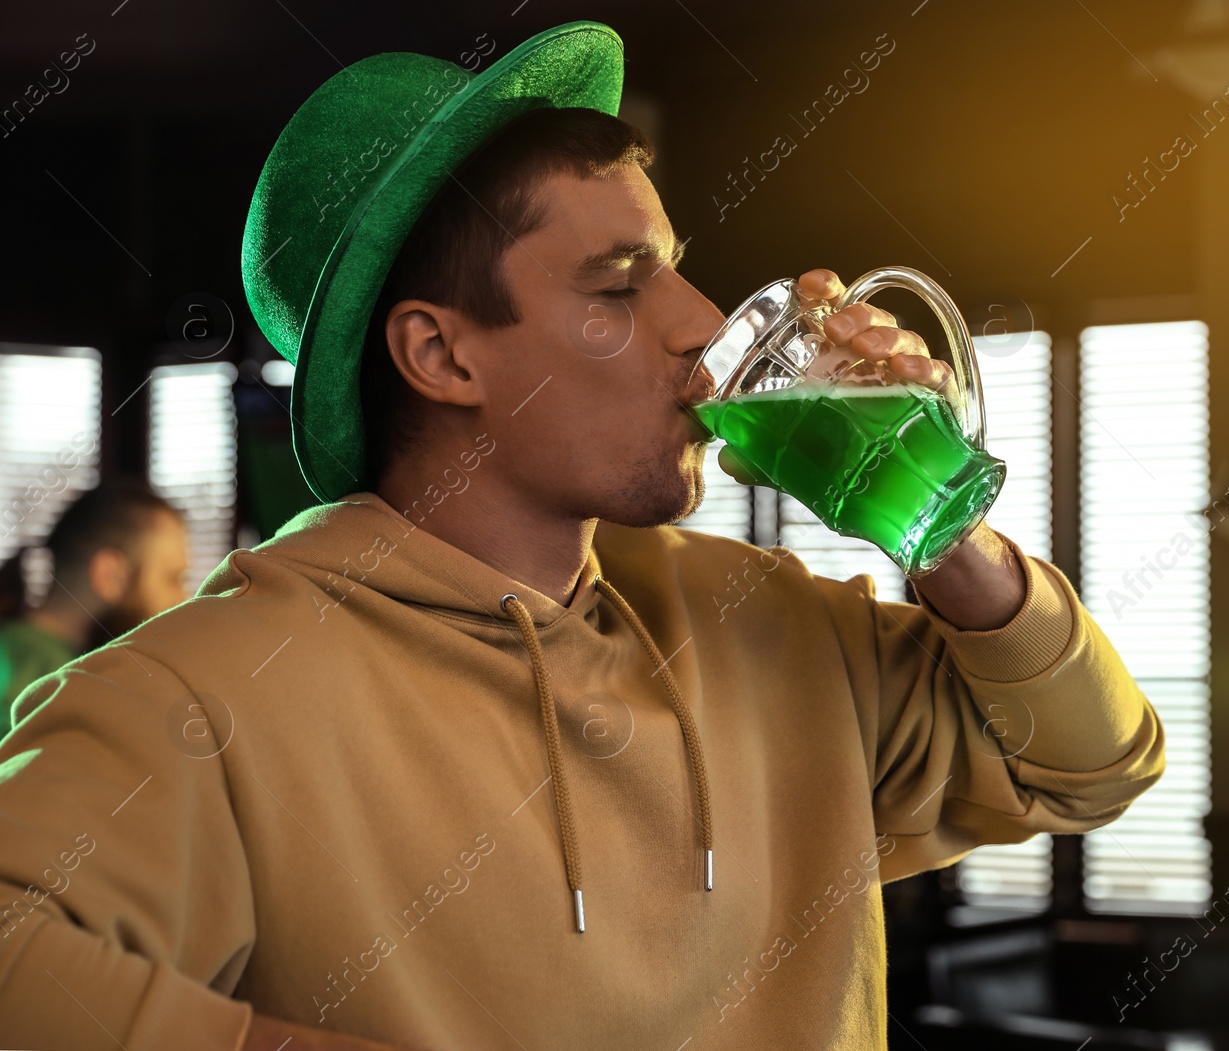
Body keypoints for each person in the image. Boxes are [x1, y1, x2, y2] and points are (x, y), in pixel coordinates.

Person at [0, 21, 1165, 1051]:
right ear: (443, 356)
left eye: (674, 270)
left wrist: (935, 526)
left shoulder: (767, 617)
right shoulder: (209, 691)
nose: (703, 325)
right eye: (618, 288)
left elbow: (1088, 766)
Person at [0, 478, 190, 734]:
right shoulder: (25, 673)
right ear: (110, 576)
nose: (185, 599)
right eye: (173, 579)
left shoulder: (78, 664)